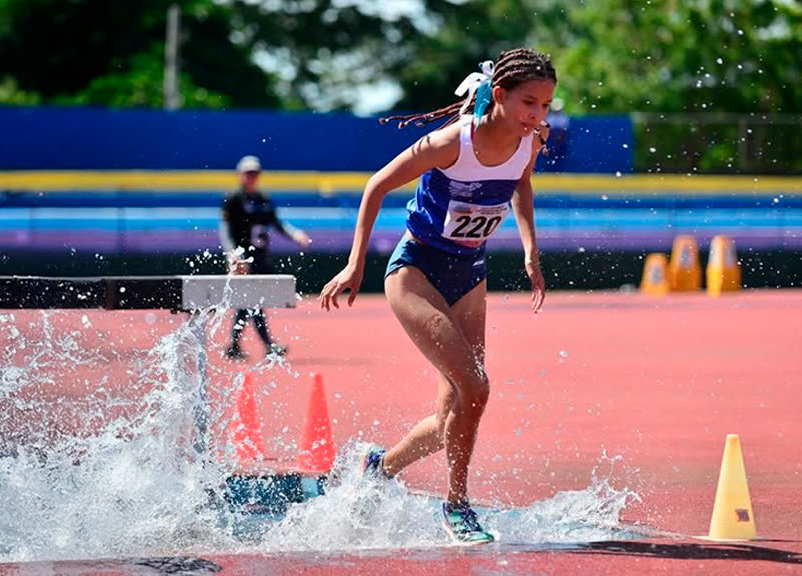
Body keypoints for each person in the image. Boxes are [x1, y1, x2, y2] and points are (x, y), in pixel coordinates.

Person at [319, 47, 555, 544]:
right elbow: (376, 186)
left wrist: (530, 248)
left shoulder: (529, 142)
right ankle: (457, 506)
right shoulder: (451, 143)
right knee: (477, 387)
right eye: (529, 103)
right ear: (499, 94)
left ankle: (380, 466)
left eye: (546, 106)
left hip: (470, 273)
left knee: (456, 412)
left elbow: (521, 185)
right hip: (417, 270)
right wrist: (355, 264)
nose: (537, 115)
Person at [221, 155, 310, 360]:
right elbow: (226, 230)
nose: (251, 177)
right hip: (242, 260)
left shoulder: (264, 200)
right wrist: (232, 253)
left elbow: (276, 223)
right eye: (248, 173)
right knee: (253, 302)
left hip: (260, 258)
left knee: (248, 303)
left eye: (254, 173)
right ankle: (267, 345)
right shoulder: (234, 200)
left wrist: (295, 234)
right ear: (240, 175)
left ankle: (234, 345)